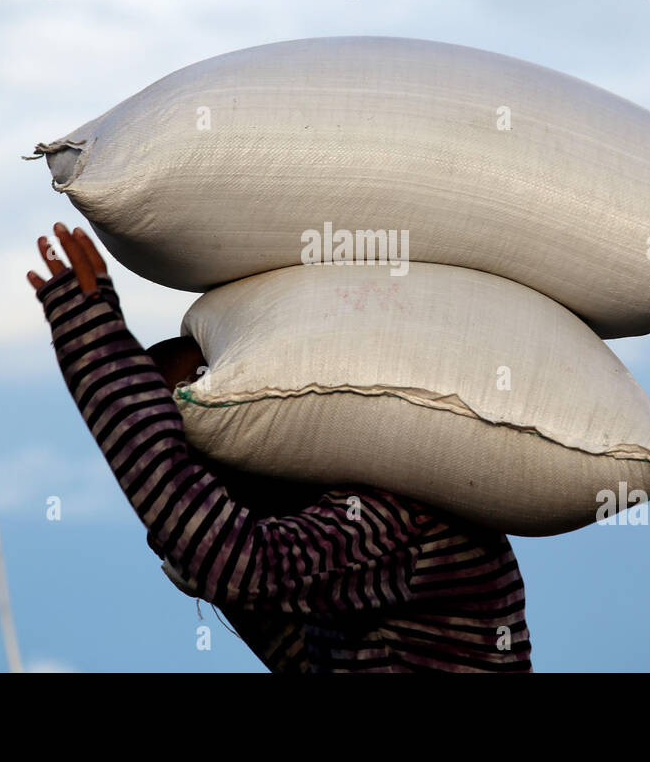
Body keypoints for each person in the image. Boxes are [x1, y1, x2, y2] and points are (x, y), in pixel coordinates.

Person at [27, 222, 532, 672]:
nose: (201, 476)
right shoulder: (332, 559)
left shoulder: (393, 518)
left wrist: (97, 353)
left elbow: (236, 562)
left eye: (197, 447)